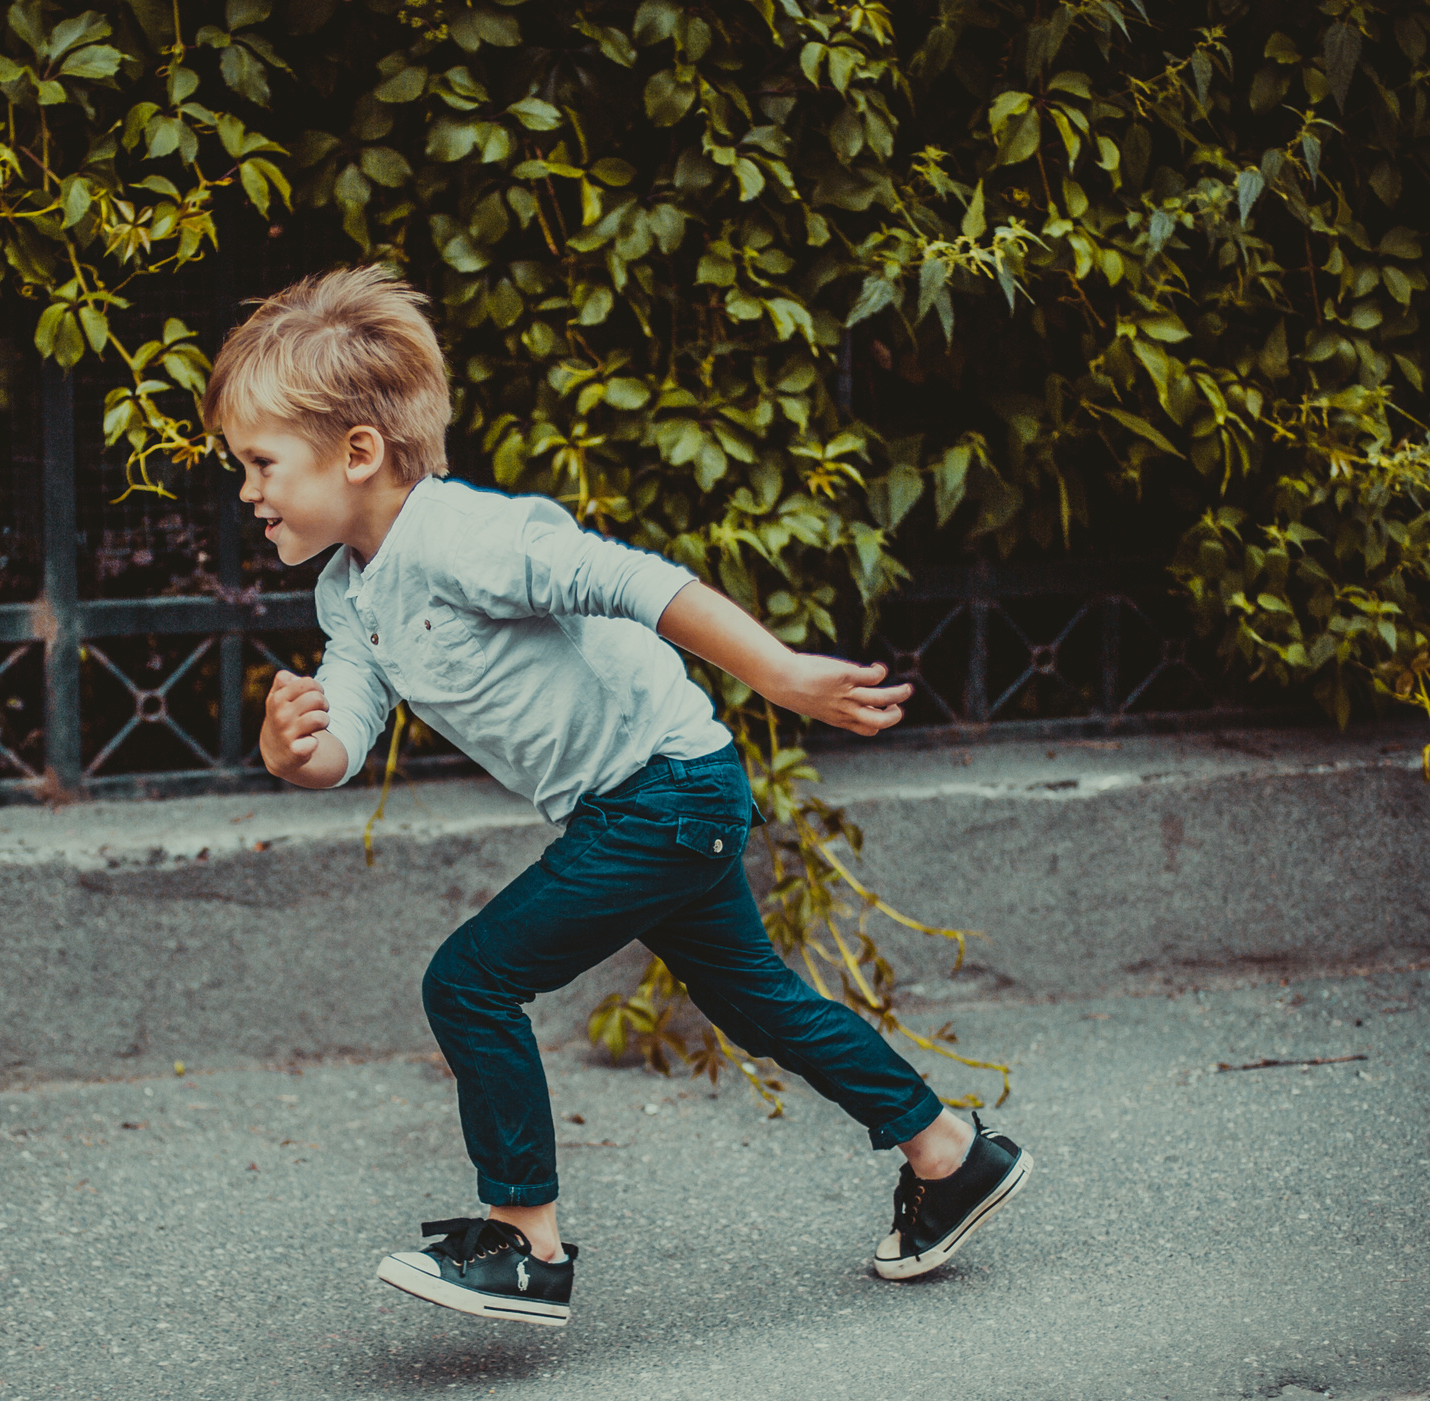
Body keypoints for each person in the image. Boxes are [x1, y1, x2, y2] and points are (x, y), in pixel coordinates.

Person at [204, 266, 1031, 1327]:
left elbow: (629, 579)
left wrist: (776, 671)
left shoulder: (459, 538)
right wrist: (291, 751)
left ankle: (525, 1243)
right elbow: (344, 744)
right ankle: (948, 1155)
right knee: (755, 1002)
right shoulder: (350, 591)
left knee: (469, 983)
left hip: (663, 794)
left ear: (357, 453)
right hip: (651, 801)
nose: (248, 491)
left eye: (261, 463)